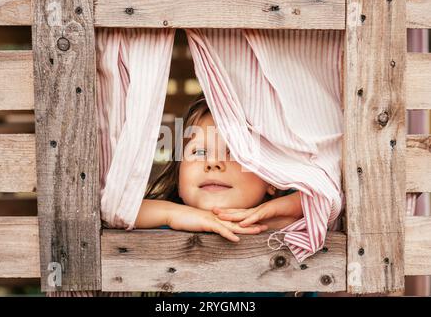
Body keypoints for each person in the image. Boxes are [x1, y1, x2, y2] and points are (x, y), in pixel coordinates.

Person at [135, 94, 317, 297]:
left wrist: (275, 210)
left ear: (270, 177)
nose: (213, 163)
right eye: (199, 152)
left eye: (234, 152)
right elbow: (118, 212)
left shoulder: (286, 222)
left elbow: (326, 202)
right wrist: (175, 214)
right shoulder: (173, 222)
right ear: (179, 178)